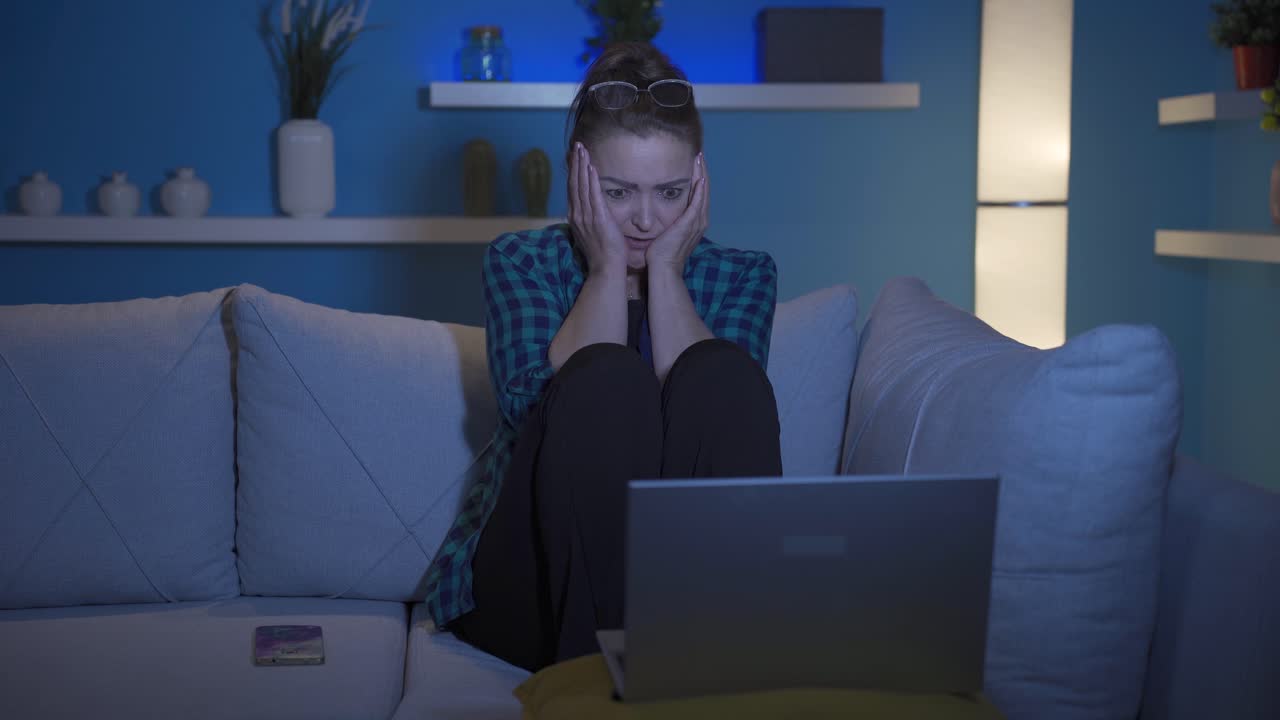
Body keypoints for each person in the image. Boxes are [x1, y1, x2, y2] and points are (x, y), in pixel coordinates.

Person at [421, 41, 783, 673]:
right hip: (539, 585)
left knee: (725, 372)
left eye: (670, 193)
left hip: (685, 590)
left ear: (699, 179)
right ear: (578, 174)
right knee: (605, 375)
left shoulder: (744, 276)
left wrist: (666, 271)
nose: (645, 219)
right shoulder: (521, 262)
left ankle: (725, 659)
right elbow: (524, 405)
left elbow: (721, 433)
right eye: (617, 193)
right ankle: (591, 687)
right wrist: (608, 266)